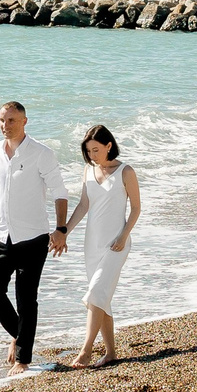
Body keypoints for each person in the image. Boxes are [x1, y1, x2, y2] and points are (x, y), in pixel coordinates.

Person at [0, 100, 69, 373]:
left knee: (26, 298)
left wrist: (60, 229)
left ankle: (23, 359)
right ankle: (20, 336)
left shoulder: (41, 153)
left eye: (11, 120)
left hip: (32, 237)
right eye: (1, 120)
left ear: (24, 121)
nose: (4, 126)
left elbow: (60, 192)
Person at [61, 123, 141, 368]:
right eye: (89, 151)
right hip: (92, 244)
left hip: (116, 244)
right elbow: (84, 205)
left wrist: (123, 236)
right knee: (101, 298)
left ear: (109, 146)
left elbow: (136, 208)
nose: (92, 156)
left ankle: (85, 351)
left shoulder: (125, 172)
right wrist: (63, 231)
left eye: (96, 150)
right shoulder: (88, 170)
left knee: (96, 293)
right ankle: (111, 353)